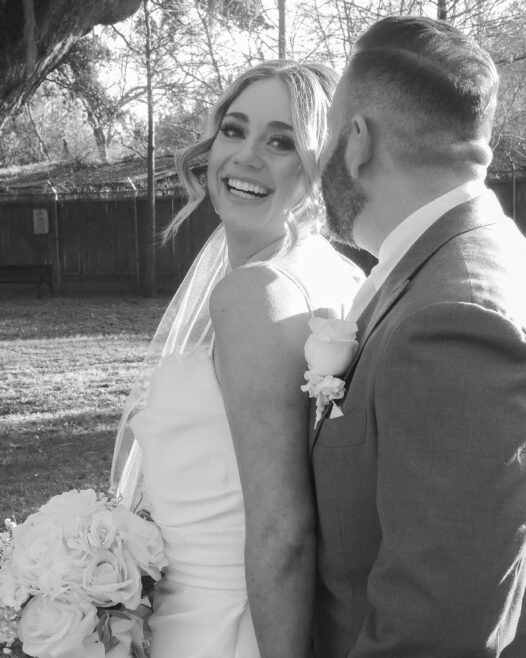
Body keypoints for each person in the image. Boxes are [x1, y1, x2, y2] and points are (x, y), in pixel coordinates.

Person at [111, 60, 363, 658]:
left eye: (281, 141)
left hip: (216, 631)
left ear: (320, 163)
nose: (246, 156)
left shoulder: (257, 293)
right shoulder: (335, 272)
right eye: (234, 130)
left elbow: (282, 530)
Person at [312, 14, 526, 657]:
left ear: (356, 142)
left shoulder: (451, 316)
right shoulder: (456, 263)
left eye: (325, 135)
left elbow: (439, 626)